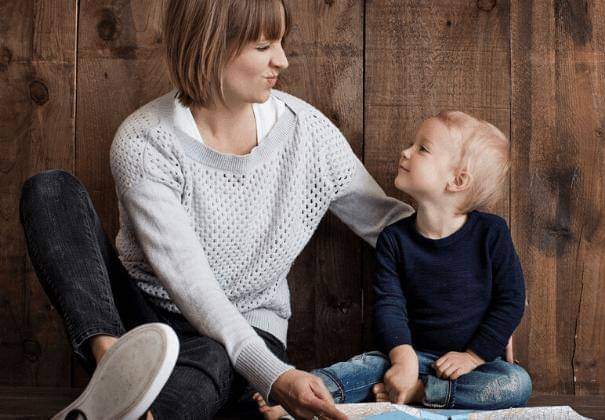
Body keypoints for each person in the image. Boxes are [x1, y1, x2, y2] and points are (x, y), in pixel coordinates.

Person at [18, 0, 413, 418]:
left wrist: (470, 235)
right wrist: (278, 377)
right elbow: (190, 282)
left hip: (247, 334)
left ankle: (127, 409)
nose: (282, 60)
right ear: (210, 46)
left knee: (213, 355)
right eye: (263, 46)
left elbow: (389, 225)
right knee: (50, 191)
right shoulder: (145, 142)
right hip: (142, 323)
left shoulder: (308, 134)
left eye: (280, 43)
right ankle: (113, 366)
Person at [255, 111, 532, 419]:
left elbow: (511, 300)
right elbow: (389, 305)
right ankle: (299, 395)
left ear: (457, 180)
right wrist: (403, 360)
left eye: (422, 148)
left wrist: (473, 356)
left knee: (516, 383)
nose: (406, 152)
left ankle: (422, 393)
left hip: (471, 368)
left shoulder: (491, 233)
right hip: (410, 355)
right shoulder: (394, 239)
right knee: (364, 367)